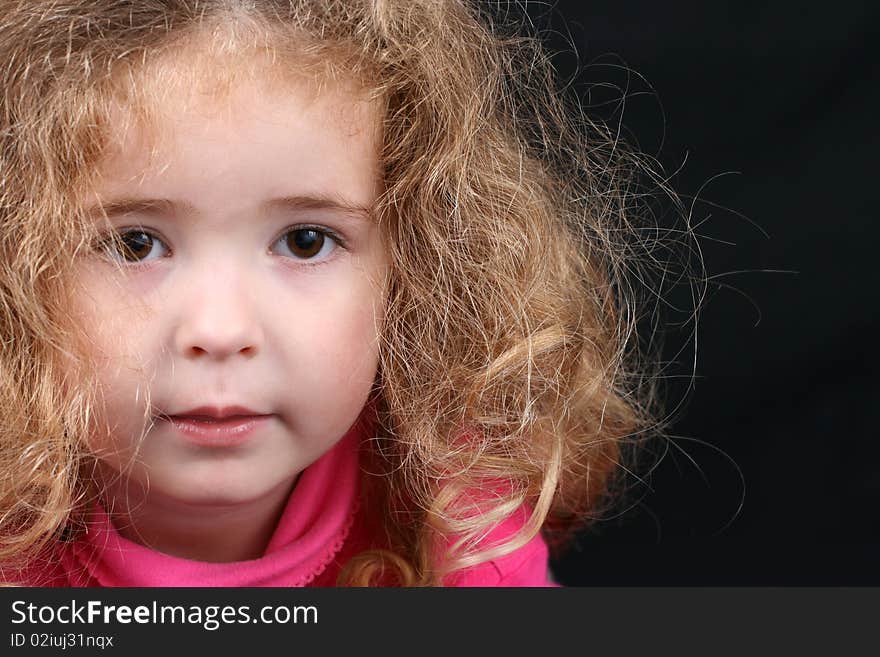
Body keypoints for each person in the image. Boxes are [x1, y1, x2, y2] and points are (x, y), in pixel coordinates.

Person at [0, 0, 672, 587]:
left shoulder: (456, 515)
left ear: (418, 266)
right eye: (134, 244)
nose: (221, 328)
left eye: (304, 241)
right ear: (17, 266)